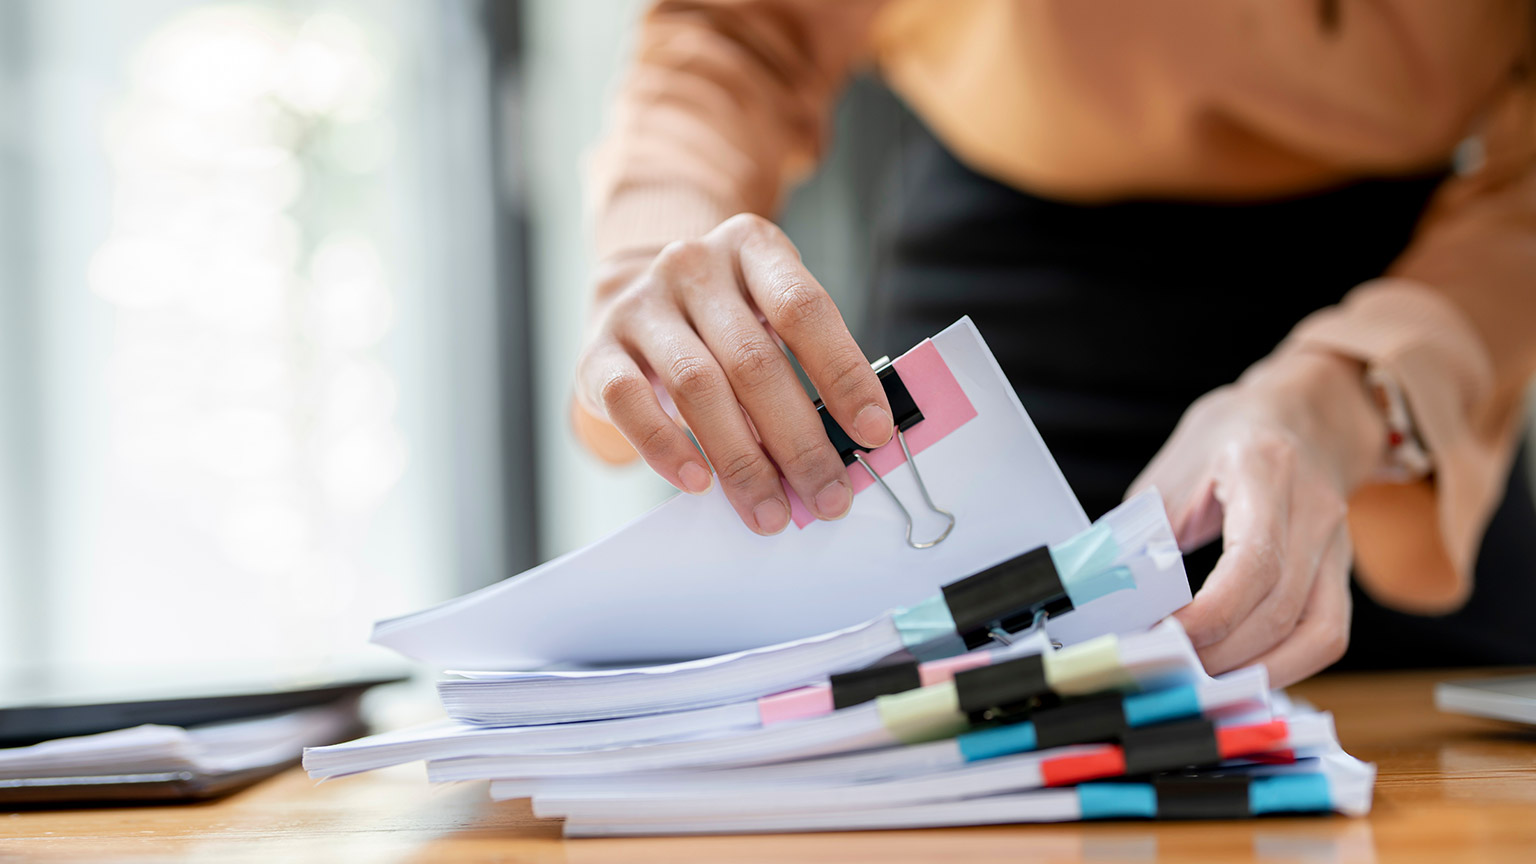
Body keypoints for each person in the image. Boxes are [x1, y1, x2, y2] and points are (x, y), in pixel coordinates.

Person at [567, 1, 1536, 687]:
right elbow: (741, 30)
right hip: (998, 319)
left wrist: (1351, 397)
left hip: (1409, 345)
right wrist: (653, 256)